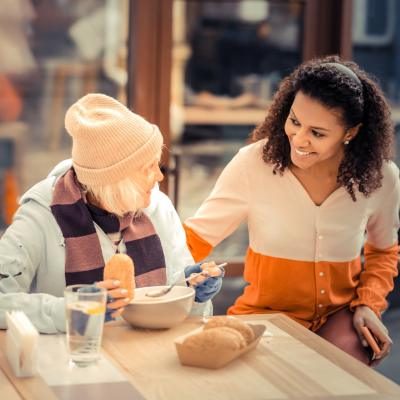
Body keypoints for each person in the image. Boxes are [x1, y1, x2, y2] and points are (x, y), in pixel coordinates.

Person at [184, 55, 400, 366]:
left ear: (350, 132)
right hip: (265, 314)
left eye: (318, 133)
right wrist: (146, 280)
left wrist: (369, 304)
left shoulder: (381, 178)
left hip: (340, 315)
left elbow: (383, 252)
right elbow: (196, 237)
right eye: (295, 121)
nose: (299, 139)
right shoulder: (253, 163)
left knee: (348, 365)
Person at [0, 93, 223, 333]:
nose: (159, 177)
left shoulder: (158, 206)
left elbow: (173, 300)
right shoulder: (40, 215)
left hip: (149, 355)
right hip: (73, 359)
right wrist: (73, 310)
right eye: (149, 168)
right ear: (114, 180)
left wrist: (191, 292)